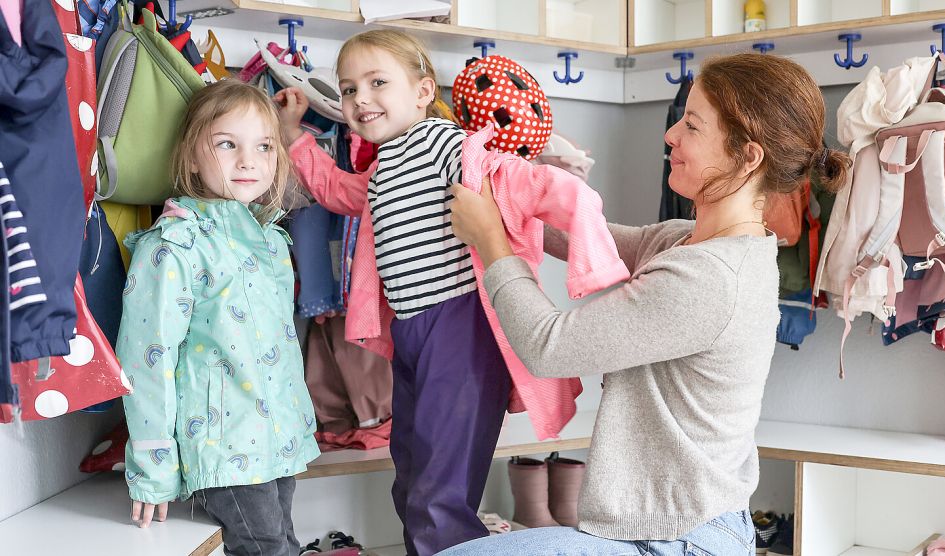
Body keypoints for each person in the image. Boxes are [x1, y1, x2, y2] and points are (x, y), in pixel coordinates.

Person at [439, 53, 850, 555]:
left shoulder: (708, 279)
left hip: (678, 541)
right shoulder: (690, 241)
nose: (671, 135)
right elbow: (591, 240)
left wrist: (490, 242)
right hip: (680, 524)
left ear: (748, 157)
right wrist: (507, 196)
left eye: (692, 126)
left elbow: (548, 347)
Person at [275, 29, 627, 556]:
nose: (359, 99)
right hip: (413, 332)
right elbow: (339, 192)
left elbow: (529, 183)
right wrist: (294, 137)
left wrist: (587, 245)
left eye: (377, 83)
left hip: (459, 327)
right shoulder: (381, 165)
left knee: (441, 488)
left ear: (422, 91)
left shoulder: (445, 145)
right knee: (411, 474)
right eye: (348, 90)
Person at [118, 79, 320, 556]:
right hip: (224, 449)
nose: (248, 161)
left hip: (275, 442)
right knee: (268, 548)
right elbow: (146, 364)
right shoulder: (175, 247)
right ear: (191, 157)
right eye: (227, 144)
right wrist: (153, 468)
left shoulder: (271, 240)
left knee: (284, 542)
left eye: (264, 146)